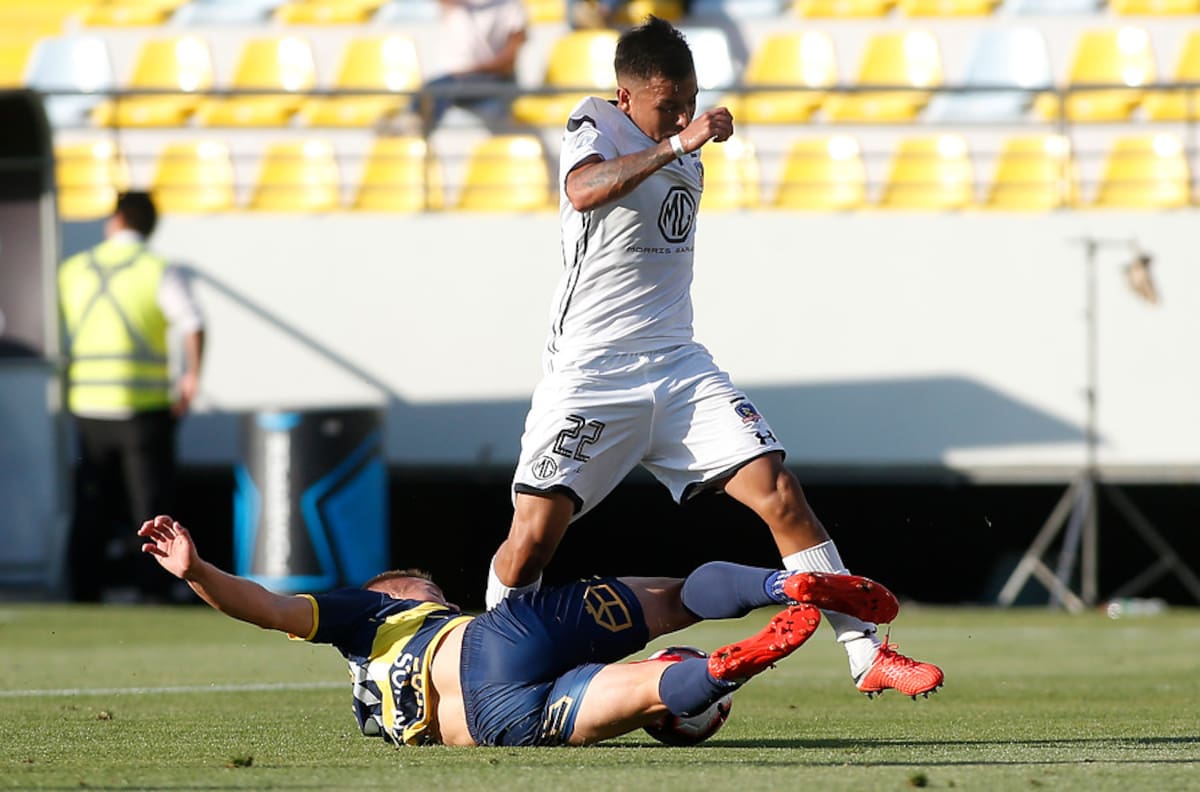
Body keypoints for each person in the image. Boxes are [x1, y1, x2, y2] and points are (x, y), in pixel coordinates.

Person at [485, 17, 943, 699]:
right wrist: (676, 142)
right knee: (531, 538)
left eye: (688, 100)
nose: (681, 113)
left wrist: (677, 140)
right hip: (593, 372)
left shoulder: (678, 142)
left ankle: (863, 652)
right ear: (625, 97)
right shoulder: (593, 126)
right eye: (666, 103)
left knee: (780, 491)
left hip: (676, 364)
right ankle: (487, 663)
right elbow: (583, 192)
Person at [138, 513, 908, 748]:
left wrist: (199, 576)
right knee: (674, 596)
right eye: (423, 583)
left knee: (646, 697)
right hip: (495, 643)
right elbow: (269, 606)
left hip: (498, 725)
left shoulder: (372, 697)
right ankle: (783, 582)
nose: (432, 585)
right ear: (395, 593)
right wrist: (200, 569)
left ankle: (715, 675)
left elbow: (265, 613)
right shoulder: (375, 612)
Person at [59, 191, 204, 602]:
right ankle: (154, 589)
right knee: (151, 503)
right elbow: (192, 320)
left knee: (90, 500)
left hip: (88, 406)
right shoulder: (159, 269)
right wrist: (191, 376)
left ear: (116, 220)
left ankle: (82, 589)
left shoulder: (74, 269)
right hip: (143, 409)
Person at [418, 0, 528, 132]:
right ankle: (412, 129)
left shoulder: (512, 8)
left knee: (437, 88)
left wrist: (471, 71)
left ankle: (414, 127)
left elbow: (508, 63)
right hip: (462, 83)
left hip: (495, 82)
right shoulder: (459, 6)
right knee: (435, 89)